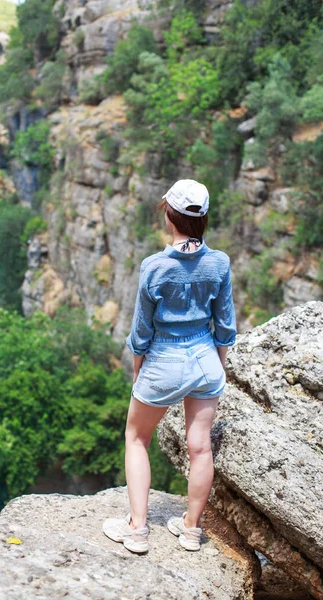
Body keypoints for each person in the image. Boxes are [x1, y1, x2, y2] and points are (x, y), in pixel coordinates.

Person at [102, 179, 237, 554]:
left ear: (169, 215)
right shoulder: (219, 263)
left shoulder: (154, 267)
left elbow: (141, 332)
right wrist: (218, 367)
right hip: (206, 360)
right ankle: (191, 530)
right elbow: (225, 327)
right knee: (200, 448)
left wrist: (138, 373)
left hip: (163, 361)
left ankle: (138, 529)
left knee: (136, 438)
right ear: (203, 218)